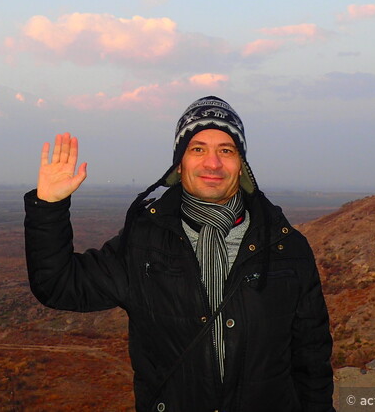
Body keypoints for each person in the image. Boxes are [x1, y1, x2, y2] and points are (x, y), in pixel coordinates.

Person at [23, 96, 334, 412]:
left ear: (242, 165)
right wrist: (49, 206)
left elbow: (312, 359)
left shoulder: (286, 247)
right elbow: (58, 284)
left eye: (226, 150)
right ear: (179, 162)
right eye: (197, 149)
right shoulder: (144, 243)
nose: (212, 163)